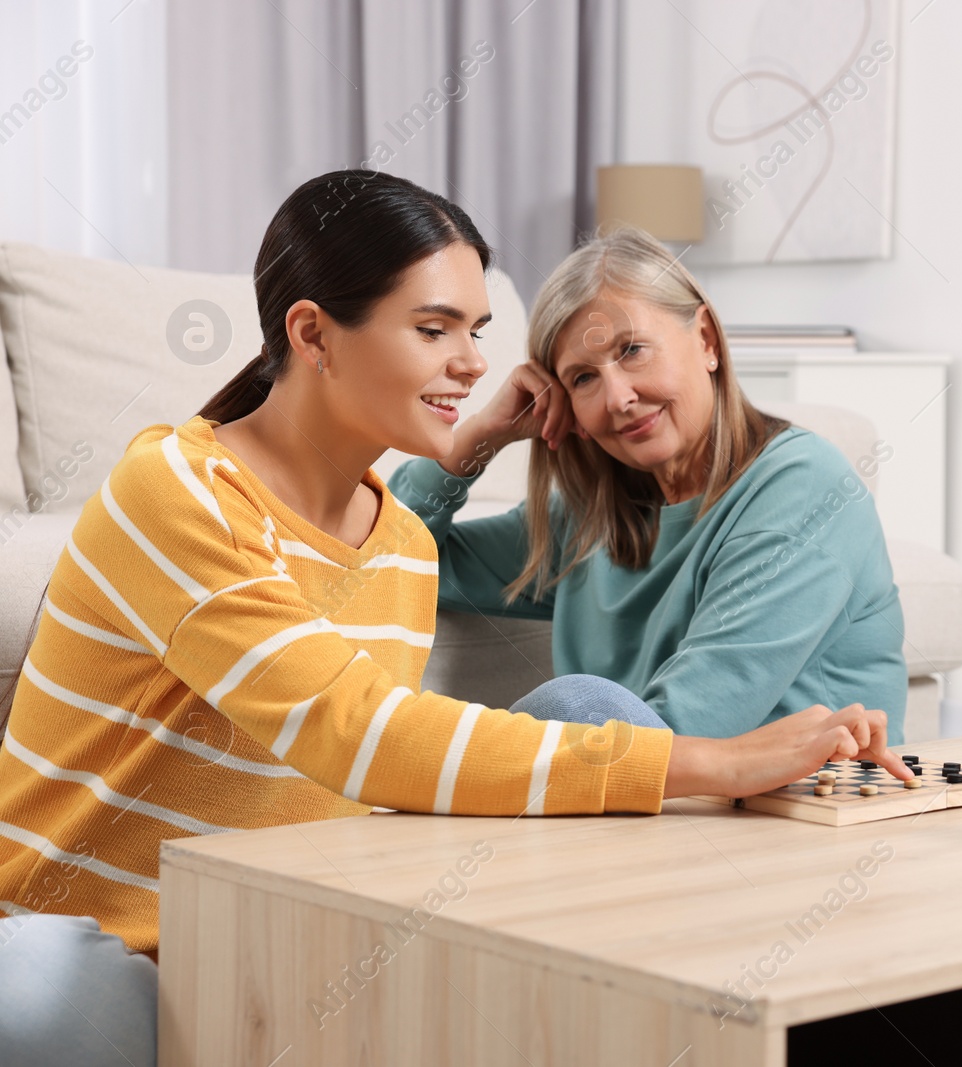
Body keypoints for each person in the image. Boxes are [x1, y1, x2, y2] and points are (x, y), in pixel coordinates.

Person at [0, 170, 907, 1067]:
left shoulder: (396, 543)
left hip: (281, 946)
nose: (474, 362)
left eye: (475, 332)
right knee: (46, 982)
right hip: (102, 944)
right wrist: (724, 760)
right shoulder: (174, 487)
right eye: (436, 329)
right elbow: (354, 728)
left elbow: (391, 708)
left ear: (705, 338)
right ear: (313, 333)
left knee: (584, 714)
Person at [387, 226, 908, 742]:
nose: (617, 397)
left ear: (705, 340)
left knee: (564, 706)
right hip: (646, 802)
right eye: (583, 378)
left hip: (795, 811)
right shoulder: (586, 519)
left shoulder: (803, 489)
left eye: (632, 350)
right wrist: (479, 438)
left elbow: (688, 725)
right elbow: (391, 560)